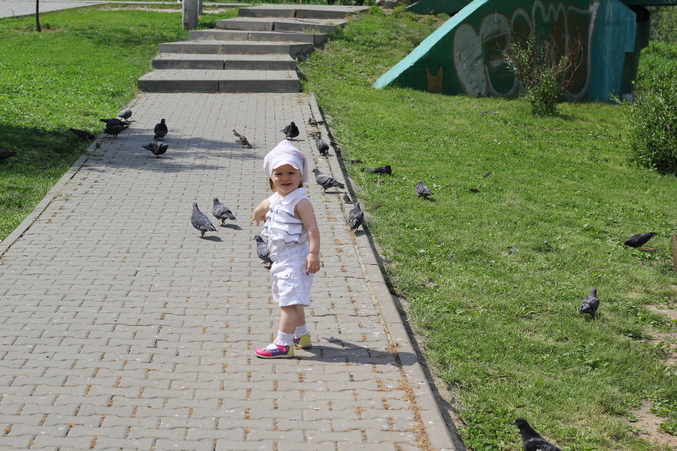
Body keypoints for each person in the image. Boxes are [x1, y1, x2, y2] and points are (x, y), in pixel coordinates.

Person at [250, 140, 321, 358]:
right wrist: (258, 212)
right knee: (293, 298)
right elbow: (265, 205)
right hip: (281, 258)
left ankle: (283, 344)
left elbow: (312, 228)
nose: (285, 178)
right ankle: (301, 335)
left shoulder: (301, 202)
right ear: (271, 177)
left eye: (291, 172)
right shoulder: (276, 198)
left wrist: (313, 253)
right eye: (279, 173)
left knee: (288, 303)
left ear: (301, 176)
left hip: (294, 257)